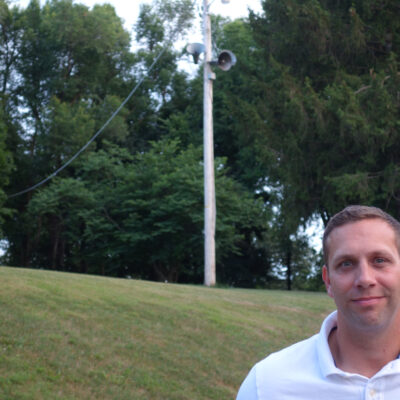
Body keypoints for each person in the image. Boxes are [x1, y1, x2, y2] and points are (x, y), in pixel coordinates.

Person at [237, 205, 400, 399]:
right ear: (328, 281)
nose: (365, 279)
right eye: (346, 264)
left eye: (380, 260)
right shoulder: (266, 385)